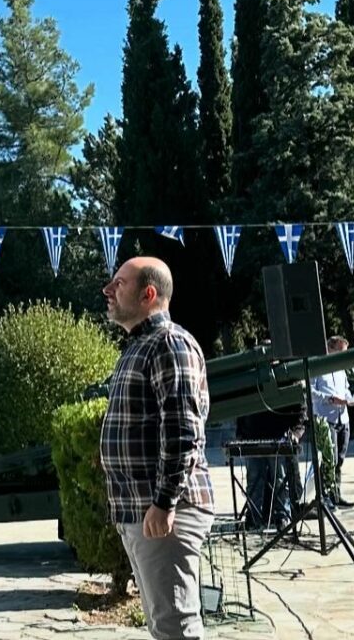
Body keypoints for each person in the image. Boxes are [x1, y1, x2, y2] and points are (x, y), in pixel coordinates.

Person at [100, 257, 214, 640]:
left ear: (148, 293)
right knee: (163, 626)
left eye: (119, 283)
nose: (108, 290)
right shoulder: (140, 346)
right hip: (142, 511)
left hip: (166, 513)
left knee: (175, 628)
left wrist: (165, 501)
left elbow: (183, 430)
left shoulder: (168, 343)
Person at [235, 399, 307, 529]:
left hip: (278, 434)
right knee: (254, 481)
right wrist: (240, 432)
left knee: (280, 480)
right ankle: (253, 518)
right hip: (252, 434)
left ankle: (282, 517)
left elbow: (299, 404)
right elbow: (241, 402)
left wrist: (296, 431)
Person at [310, 336, 354, 507]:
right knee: (330, 459)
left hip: (343, 418)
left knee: (340, 459)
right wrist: (329, 399)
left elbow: (346, 389)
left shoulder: (341, 369)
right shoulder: (317, 366)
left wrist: (351, 398)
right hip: (326, 418)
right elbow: (310, 391)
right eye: (341, 352)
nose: (344, 356)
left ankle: (336, 494)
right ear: (330, 348)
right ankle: (324, 496)